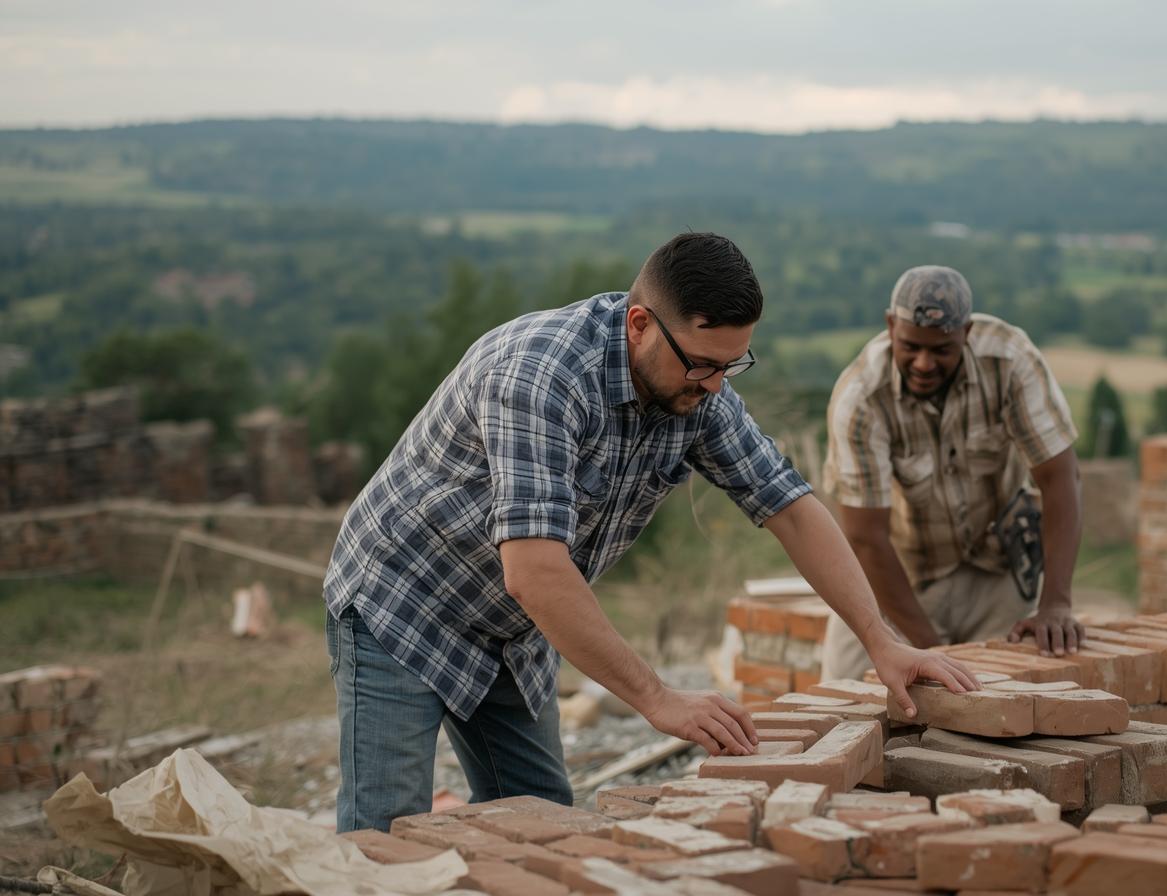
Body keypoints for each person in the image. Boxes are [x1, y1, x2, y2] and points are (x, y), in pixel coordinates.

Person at [323, 233, 976, 833]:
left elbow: (795, 510)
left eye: (732, 365)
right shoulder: (539, 377)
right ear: (640, 325)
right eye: (701, 365)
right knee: (385, 834)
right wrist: (655, 697)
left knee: (543, 821)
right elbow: (535, 571)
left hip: (513, 627)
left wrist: (882, 642)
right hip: (404, 605)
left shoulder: (699, 390)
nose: (716, 385)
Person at [820, 265, 1086, 681]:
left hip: (995, 569)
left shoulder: (1010, 362)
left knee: (999, 708)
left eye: (941, 350)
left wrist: (1055, 603)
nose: (924, 363)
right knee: (846, 705)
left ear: (967, 332)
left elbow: (1060, 479)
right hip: (897, 578)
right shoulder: (860, 399)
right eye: (910, 347)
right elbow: (865, 537)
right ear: (891, 327)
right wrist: (931, 649)